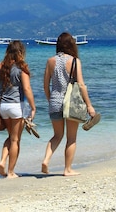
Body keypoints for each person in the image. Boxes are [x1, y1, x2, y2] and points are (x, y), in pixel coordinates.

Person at [41, 32, 99, 176]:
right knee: (71, 138)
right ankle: (67, 169)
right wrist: (89, 106)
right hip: (71, 103)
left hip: (55, 101)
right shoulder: (74, 61)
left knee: (57, 135)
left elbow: (45, 85)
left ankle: (46, 160)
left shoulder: (50, 61)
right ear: (71, 44)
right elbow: (81, 84)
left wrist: (50, 100)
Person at [0, 40, 37, 178]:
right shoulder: (21, 67)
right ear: (21, 52)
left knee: (11, 137)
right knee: (16, 140)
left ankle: (2, 161)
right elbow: (27, 89)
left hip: (2, 107)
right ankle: (10, 171)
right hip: (16, 106)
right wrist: (33, 107)